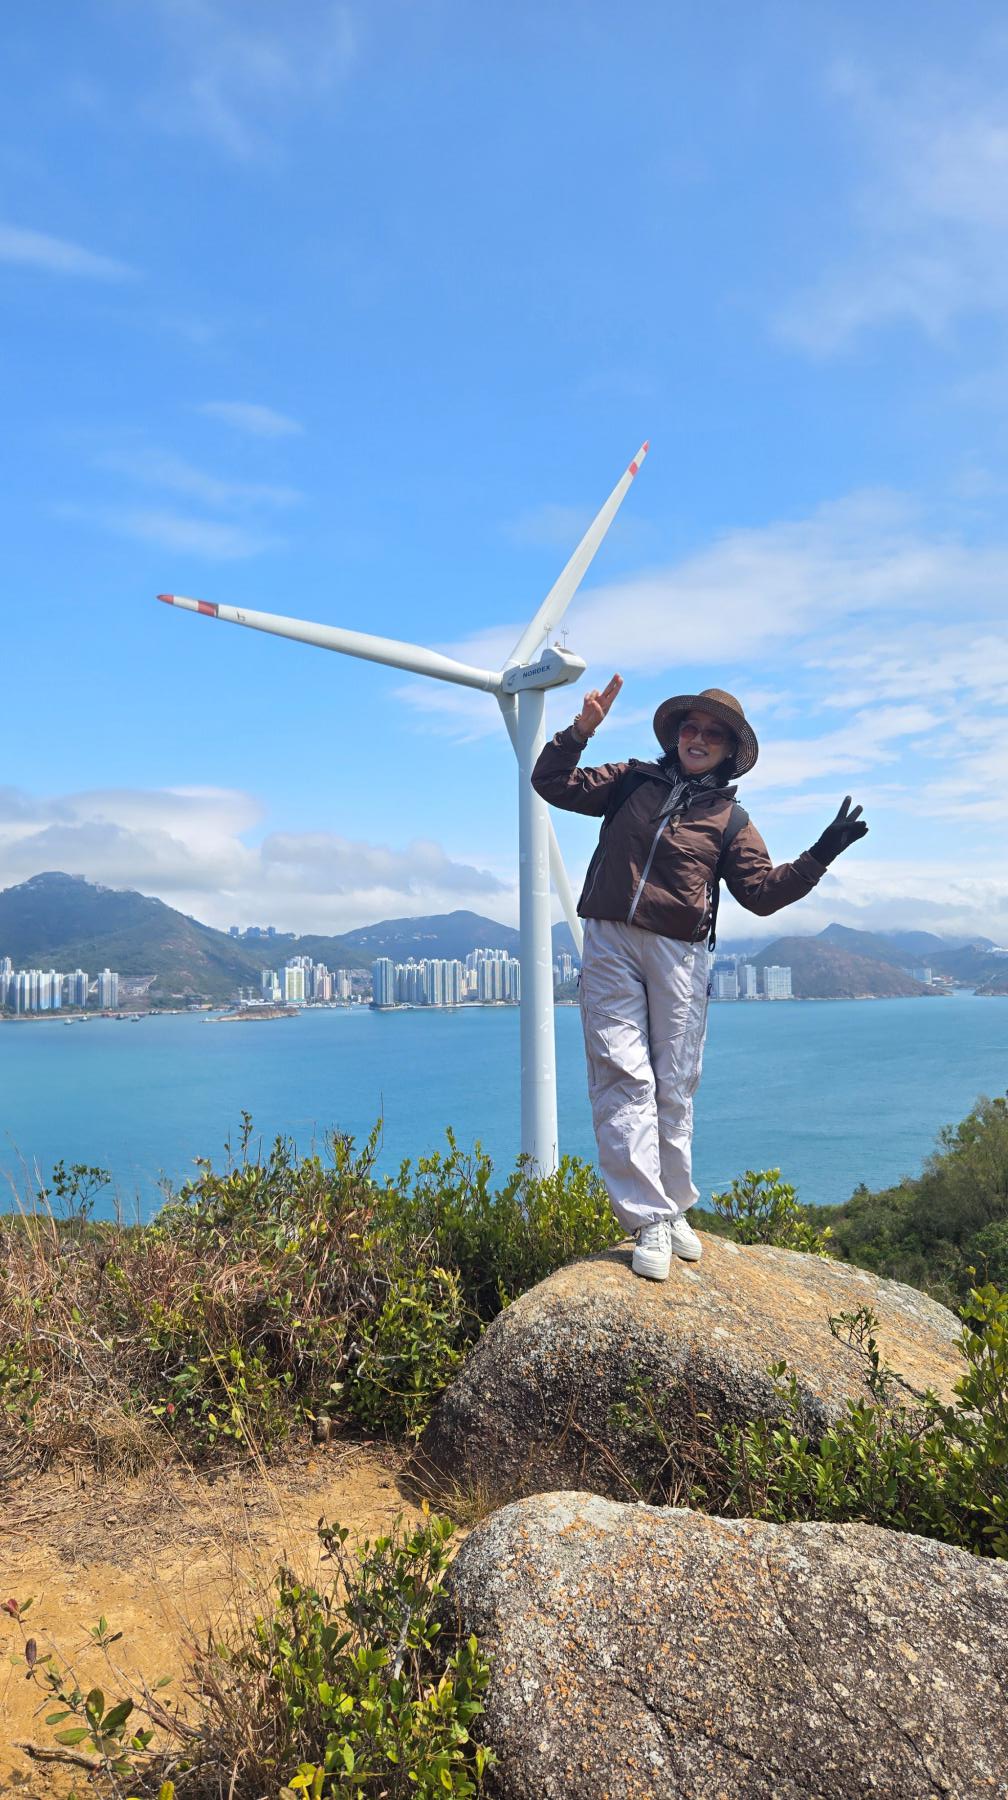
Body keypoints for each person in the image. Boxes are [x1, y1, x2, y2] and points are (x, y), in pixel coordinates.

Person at [531, 678, 868, 1281]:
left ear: (730, 750)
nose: (699, 738)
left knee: (674, 1083)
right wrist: (579, 732)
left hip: (680, 955)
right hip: (608, 939)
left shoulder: (731, 820)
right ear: (676, 734)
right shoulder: (630, 780)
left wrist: (821, 853)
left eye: (714, 733)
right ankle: (648, 1218)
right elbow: (551, 783)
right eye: (691, 726)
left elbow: (761, 894)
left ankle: (674, 1204)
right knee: (622, 1075)